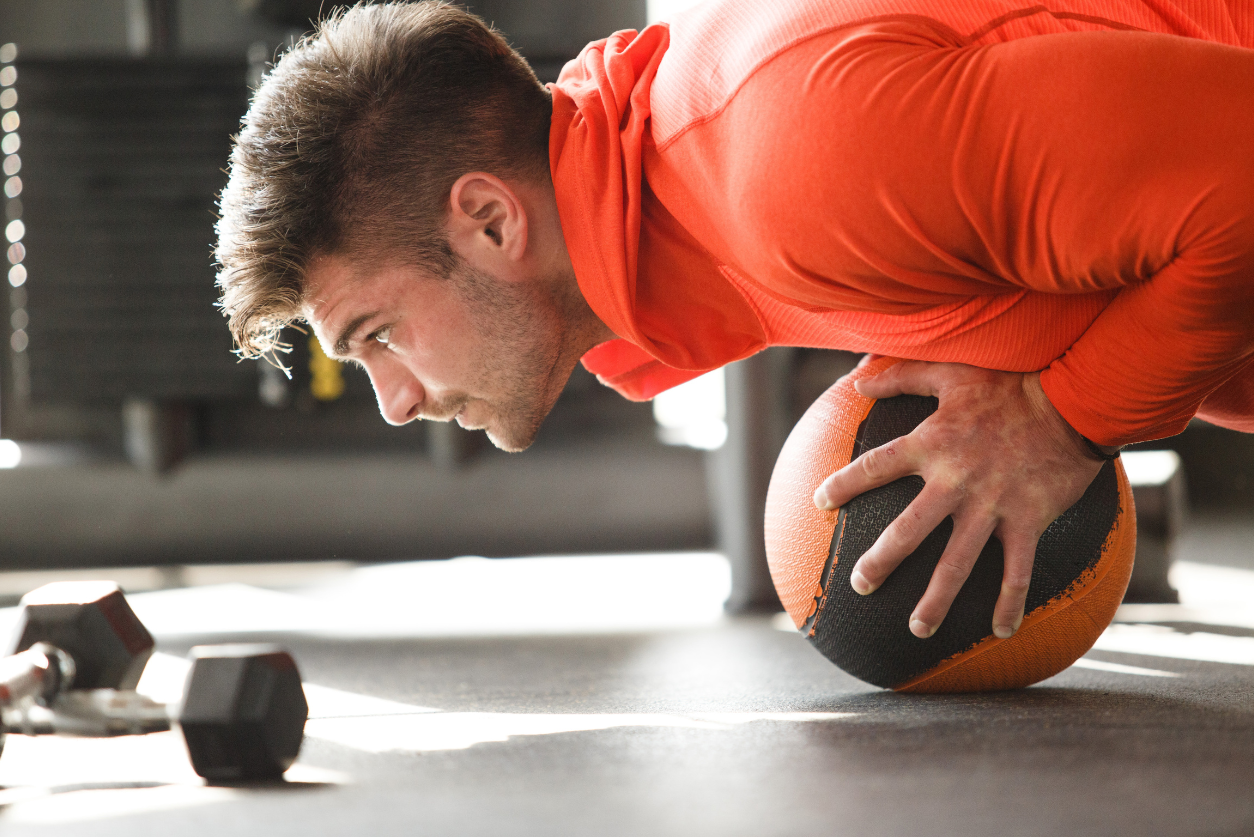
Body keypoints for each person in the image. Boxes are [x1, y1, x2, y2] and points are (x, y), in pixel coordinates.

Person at [215, 0, 1254, 643]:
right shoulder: (699, 195)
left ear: (489, 220)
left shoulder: (800, 161)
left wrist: (1061, 416)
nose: (394, 403)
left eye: (378, 334)